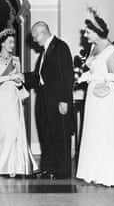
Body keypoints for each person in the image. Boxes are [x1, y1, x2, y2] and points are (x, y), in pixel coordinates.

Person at [76, 9, 114, 186]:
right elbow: (93, 69)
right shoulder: (93, 47)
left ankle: (108, 174)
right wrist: (83, 77)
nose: (85, 34)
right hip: (93, 95)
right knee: (93, 130)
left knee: (104, 131)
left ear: (97, 32)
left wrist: (92, 78)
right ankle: (93, 171)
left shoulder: (110, 50)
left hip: (106, 96)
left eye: (88, 31)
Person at [24, 21, 74, 179]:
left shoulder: (60, 47)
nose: (34, 40)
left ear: (42, 32)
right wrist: (23, 77)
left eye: (34, 36)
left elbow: (67, 75)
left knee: (60, 133)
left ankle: (62, 171)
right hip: (44, 99)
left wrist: (64, 100)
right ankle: (49, 168)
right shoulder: (45, 51)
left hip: (57, 99)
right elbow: (40, 77)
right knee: (46, 133)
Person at [0, 28, 38, 177]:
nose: (12, 44)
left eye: (13, 42)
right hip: (0, 98)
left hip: (13, 98)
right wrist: (10, 77)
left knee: (14, 128)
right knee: (1, 131)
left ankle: (13, 166)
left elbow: (18, 81)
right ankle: (1, 165)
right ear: (2, 43)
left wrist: (19, 81)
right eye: (10, 42)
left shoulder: (16, 59)